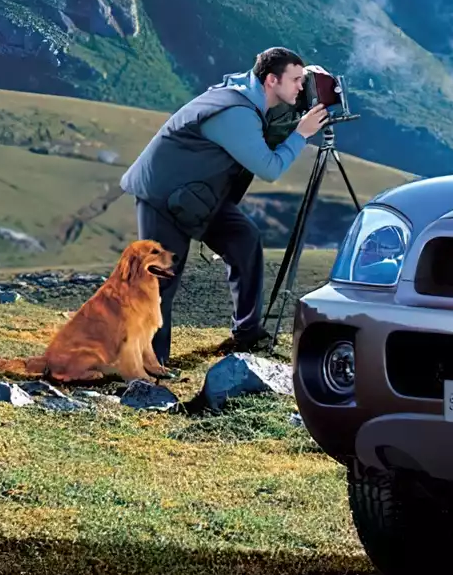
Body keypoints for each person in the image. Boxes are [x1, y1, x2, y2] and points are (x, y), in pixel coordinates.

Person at [120, 47, 330, 365]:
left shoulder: (249, 95)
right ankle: (148, 366)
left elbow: (269, 130)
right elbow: (269, 168)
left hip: (198, 196)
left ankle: (247, 333)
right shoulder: (236, 113)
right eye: (297, 80)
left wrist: (314, 91)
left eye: (304, 80)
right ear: (272, 80)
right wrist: (301, 134)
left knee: (244, 240)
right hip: (163, 195)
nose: (302, 87)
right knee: (160, 281)